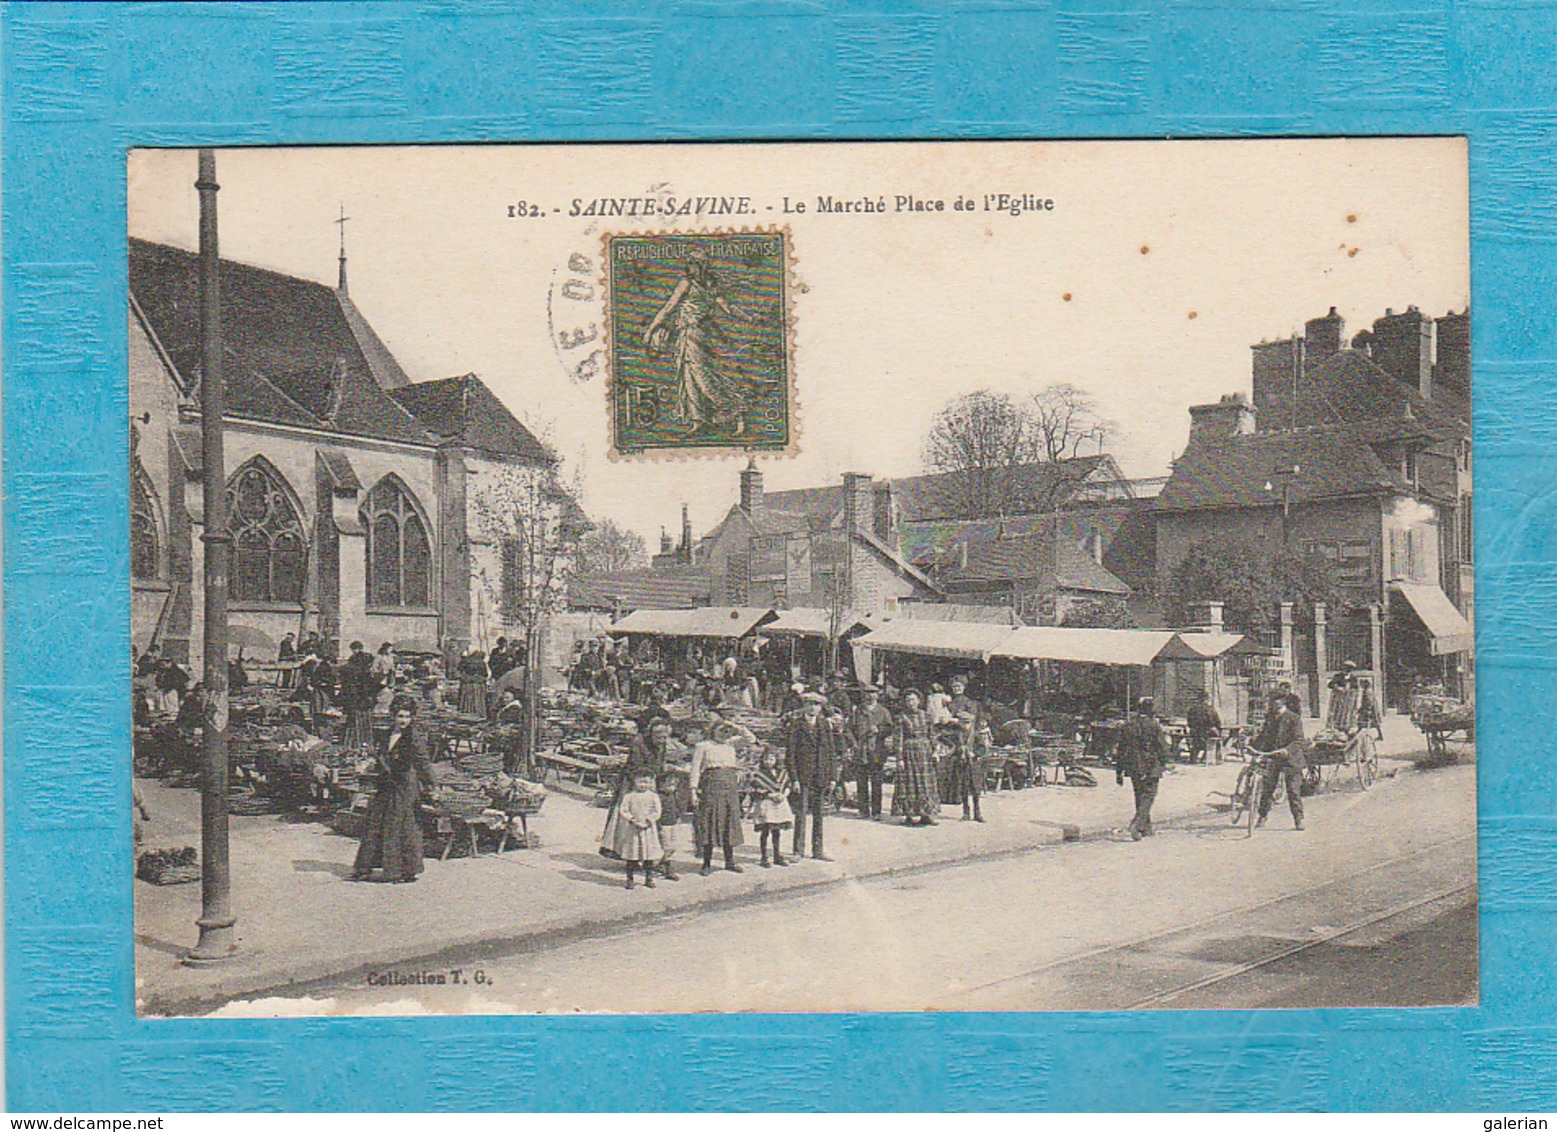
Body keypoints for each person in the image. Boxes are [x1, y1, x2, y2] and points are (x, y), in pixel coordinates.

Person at [643, 252, 755, 435]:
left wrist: (749, 317)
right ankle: (698, 421)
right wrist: (652, 328)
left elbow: (670, 307)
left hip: (695, 334)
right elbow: (670, 307)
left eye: (696, 264)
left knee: (702, 377)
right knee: (689, 377)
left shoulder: (698, 285)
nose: (694, 267)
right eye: (693, 264)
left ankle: (735, 409)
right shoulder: (695, 284)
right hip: (687, 334)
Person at [352, 695, 435, 883]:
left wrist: (432, 785)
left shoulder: (415, 737)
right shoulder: (387, 733)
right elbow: (384, 755)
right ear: (393, 716)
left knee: (401, 826)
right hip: (387, 783)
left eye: (407, 716)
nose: (403, 720)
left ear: (412, 717)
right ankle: (365, 867)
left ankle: (404, 870)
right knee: (376, 823)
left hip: (405, 785)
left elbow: (424, 763)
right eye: (400, 716)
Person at [603, 715, 684, 881]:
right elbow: (636, 768)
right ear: (651, 735)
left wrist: (664, 770)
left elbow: (658, 764)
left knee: (655, 822)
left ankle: (654, 858)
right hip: (635, 782)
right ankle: (632, 856)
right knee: (630, 820)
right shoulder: (638, 743)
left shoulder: (661, 746)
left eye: (665, 737)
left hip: (652, 780)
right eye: (659, 737)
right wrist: (649, 781)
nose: (662, 741)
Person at [690, 712, 753, 874]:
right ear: (713, 731)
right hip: (712, 787)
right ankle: (706, 863)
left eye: (726, 731)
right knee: (710, 823)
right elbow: (695, 769)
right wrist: (693, 791)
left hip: (730, 787)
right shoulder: (703, 746)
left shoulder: (731, 744)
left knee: (729, 823)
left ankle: (729, 861)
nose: (723, 734)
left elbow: (750, 739)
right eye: (720, 730)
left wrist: (735, 726)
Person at [785, 692, 840, 860]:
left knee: (819, 815)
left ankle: (818, 850)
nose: (813, 707)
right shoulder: (796, 725)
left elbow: (831, 753)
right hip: (803, 777)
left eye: (816, 705)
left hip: (820, 776)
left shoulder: (824, 725)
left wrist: (832, 777)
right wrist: (794, 778)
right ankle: (798, 851)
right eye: (809, 704)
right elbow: (791, 754)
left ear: (821, 707)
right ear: (804, 706)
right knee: (801, 814)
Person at [1252, 691, 1307, 830]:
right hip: (1273, 757)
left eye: (1276, 701)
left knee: (1293, 790)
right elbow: (1264, 736)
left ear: (1282, 702)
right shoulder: (1270, 718)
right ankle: (1262, 817)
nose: (1272, 703)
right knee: (1267, 788)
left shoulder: (1294, 718)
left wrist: (1287, 750)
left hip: (1291, 759)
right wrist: (1252, 745)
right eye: (1271, 701)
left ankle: (1298, 819)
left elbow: (1299, 740)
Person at [1116, 697, 1168, 840]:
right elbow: (1162, 747)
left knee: (1139, 794)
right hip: (1151, 764)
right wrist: (1165, 762)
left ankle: (1146, 828)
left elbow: (1120, 749)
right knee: (1149, 794)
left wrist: (1118, 772)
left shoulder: (1128, 725)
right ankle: (1138, 824)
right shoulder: (1154, 725)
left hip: (1133, 764)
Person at [890, 688, 940, 826]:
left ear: (919, 701)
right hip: (909, 752)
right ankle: (909, 815)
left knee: (925, 783)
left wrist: (935, 750)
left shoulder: (926, 716)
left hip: (924, 752)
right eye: (908, 700)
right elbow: (898, 739)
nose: (911, 703)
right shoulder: (901, 717)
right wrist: (899, 758)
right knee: (909, 783)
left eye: (913, 700)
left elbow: (933, 735)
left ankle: (926, 814)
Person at [849, 686, 892, 819]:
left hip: (877, 751)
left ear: (877, 696)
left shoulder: (883, 711)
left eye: (873, 694)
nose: (870, 696)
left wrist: (879, 730)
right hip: (861, 751)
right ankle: (863, 810)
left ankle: (876, 811)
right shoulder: (858, 711)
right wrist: (854, 744)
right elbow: (848, 729)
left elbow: (890, 728)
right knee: (861, 782)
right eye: (867, 694)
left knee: (876, 782)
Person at [615, 773, 663, 890]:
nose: (643, 785)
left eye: (646, 782)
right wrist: (632, 820)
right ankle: (630, 879)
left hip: (648, 829)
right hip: (634, 829)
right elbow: (623, 810)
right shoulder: (629, 796)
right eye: (640, 782)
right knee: (632, 854)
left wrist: (649, 820)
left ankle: (649, 878)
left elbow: (657, 811)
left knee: (648, 855)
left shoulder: (653, 796)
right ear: (634, 782)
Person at [750, 745, 793, 867]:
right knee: (765, 831)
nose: (768, 762)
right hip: (766, 804)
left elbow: (787, 786)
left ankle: (777, 855)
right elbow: (756, 789)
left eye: (771, 759)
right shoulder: (759, 774)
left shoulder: (782, 773)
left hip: (779, 804)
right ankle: (764, 857)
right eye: (766, 759)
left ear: (776, 760)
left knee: (777, 831)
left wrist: (783, 795)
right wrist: (769, 794)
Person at [948, 709, 989, 822]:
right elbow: (948, 743)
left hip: (974, 764)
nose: (965, 725)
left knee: (975, 789)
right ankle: (966, 812)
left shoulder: (975, 734)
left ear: (971, 723)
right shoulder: (957, 734)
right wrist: (956, 751)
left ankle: (977, 812)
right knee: (963, 788)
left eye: (968, 722)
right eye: (963, 722)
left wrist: (975, 754)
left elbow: (982, 748)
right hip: (961, 764)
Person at [338, 641, 380, 750]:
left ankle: (350, 745)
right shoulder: (365, 667)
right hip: (362, 699)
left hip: (353, 698)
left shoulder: (351, 665)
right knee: (364, 722)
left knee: (352, 722)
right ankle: (363, 744)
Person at [1186, 692, 1223, 765]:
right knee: (1217, 739)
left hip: (1195, 733)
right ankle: (1214, 757)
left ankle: (1194, 757)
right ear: (1206, 699)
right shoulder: (1210, 709)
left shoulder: (1192, 709)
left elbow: (1189, 722)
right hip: (1207, 733)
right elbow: (1218, 722)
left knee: (1197, 741)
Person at [308, 648, 337, 735]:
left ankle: (318, 730)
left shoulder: (320, 667)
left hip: (320, 691)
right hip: (322, 691)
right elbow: (331, 679)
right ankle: (322, 730)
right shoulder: (324, 668)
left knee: (318, 711)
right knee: (322, 711)